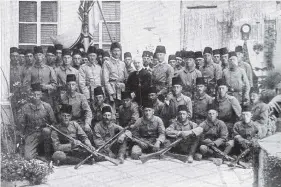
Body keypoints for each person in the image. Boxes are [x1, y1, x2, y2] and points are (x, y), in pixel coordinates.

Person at [17, 83, 56, 160]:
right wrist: (22, 136)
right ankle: (38, 155)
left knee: (46, 131)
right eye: (34, 94)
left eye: (38, 95)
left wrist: (49, 129)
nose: (36, 97)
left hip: (44, 133)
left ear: (41, 95)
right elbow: (21, 124)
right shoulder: (25, 108)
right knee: (28, 157)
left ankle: (47, 154)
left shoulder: (46, 106)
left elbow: (53, 122)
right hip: (31, 133)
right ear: (31, 95)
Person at [61, 74, 93, 140]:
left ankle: (90, 148)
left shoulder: (81, 97)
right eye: (69, 85)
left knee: (88, 131)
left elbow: (88, 111)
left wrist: (87, 123)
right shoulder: (62, 98)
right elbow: (58, 113)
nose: (71, 87)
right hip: (66, 123)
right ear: (66, 86)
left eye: (73, 85)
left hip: (79, 122)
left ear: (76, 86)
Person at [102, 42, 127, 108]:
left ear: (120, 52)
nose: (116, 53)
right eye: (114, 51)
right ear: (111, 52)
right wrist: (111, 92)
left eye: (118, 51)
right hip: (112, 90)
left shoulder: (122, 64)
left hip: (121, 90)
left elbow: (125, 78)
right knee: (112, 109)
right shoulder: (107, 63)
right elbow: (105, 80)